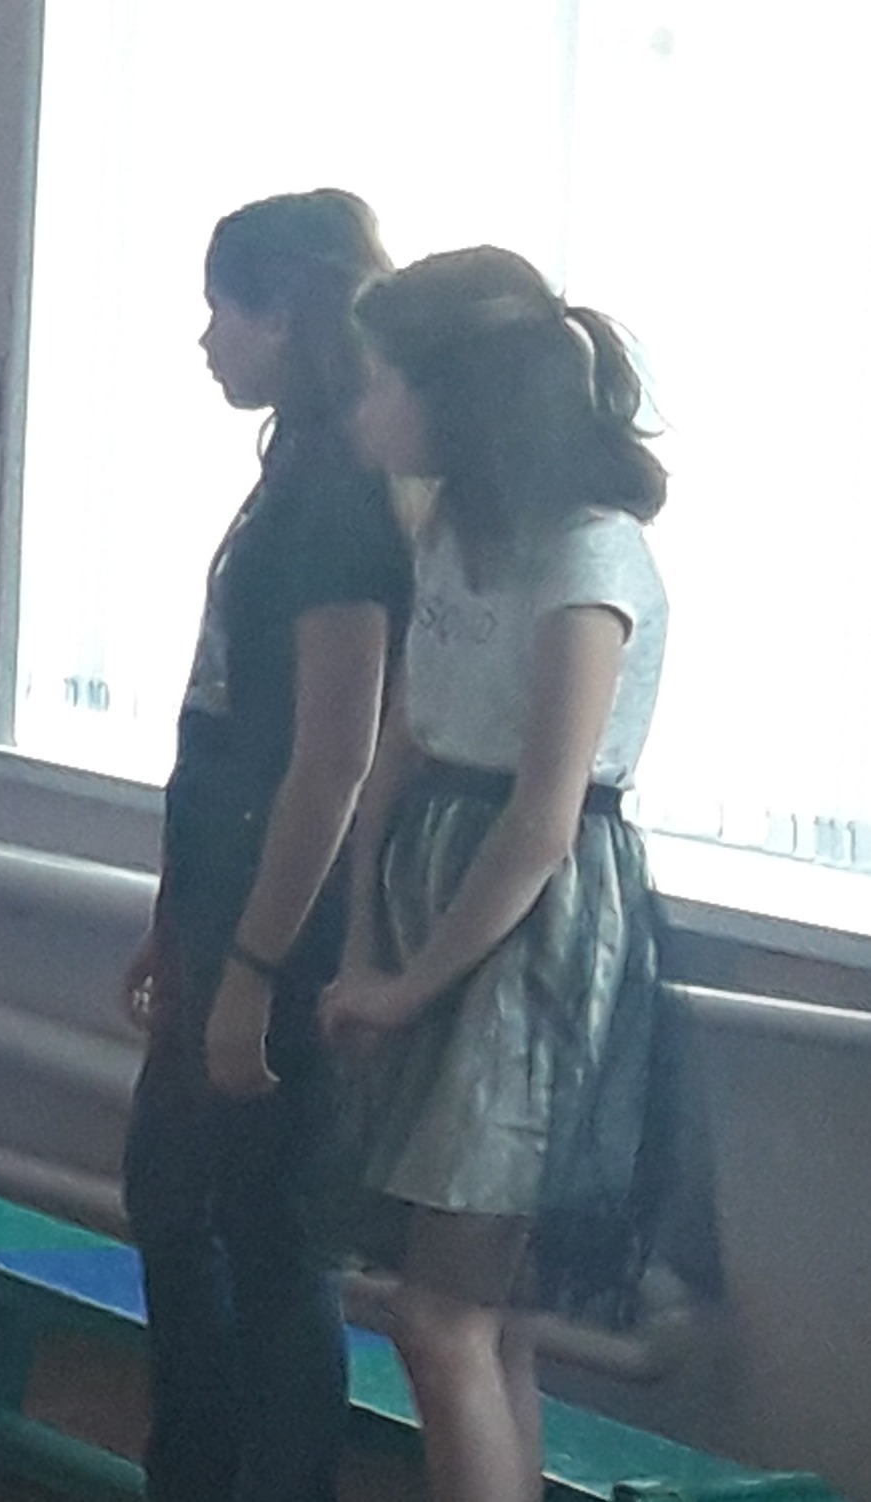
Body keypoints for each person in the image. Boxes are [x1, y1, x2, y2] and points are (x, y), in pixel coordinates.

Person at [320, 246, 696, 1502]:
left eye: (381, 381)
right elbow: (405, 737)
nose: (362, 405)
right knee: (479, 1319)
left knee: (444, 1315)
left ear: (456, 398)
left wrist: (409, 984)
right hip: (430, 886)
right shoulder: (451, 529)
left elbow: (542, 818)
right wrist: (363, 935)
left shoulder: (591, 557)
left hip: (529, 936)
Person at [119, 189, 401, 1502]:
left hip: (278, 921)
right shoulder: (290, 471)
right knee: (177, 1209)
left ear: (281, 314)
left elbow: (331, 756)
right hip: (220, 890)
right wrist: (173, 919)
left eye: (219, 310)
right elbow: (221, 726)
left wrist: (250, 968)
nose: (204, 340)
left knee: (268, 1241)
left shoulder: (340, 496)